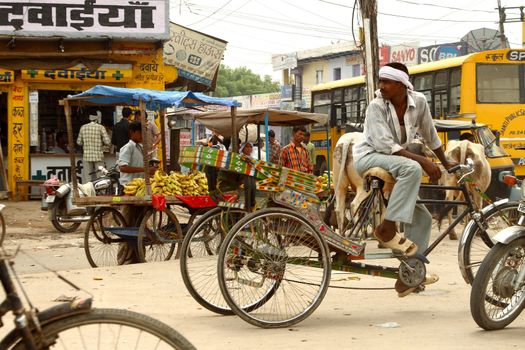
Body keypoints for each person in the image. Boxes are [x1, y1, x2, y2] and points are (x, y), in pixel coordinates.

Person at [352, 62, 457, 297]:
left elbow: (431, 135)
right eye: (380, 81)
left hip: (393, 160)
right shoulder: (376, 106)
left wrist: (445, 162)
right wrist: (425, 162)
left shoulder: (418, 101)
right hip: (369, 157)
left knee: (423, 219)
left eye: (386, 82)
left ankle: (409, 277)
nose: (381, 87)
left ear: (401, 85)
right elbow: (385, 145)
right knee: (412, 168)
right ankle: (387, 228)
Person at [118, 121, 157, 186]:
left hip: (140, 184)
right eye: (140, 132)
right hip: (129, 185)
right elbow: (123, 168)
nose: (142, 135)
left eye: (144, 133)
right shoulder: (128, 147)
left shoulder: (140, 147)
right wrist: (146, 169)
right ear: (131, 132)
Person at [77, 111, 111, 183]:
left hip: (87, 156)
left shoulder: (83, 127)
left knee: (87, 178)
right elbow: (108, 142)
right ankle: (100, 193)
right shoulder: (101, 127)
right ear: (97, 118)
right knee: (100, 177)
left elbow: (79, 142)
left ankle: (88, 193)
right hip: (98, 156)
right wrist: (102, 147)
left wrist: (86, 144)